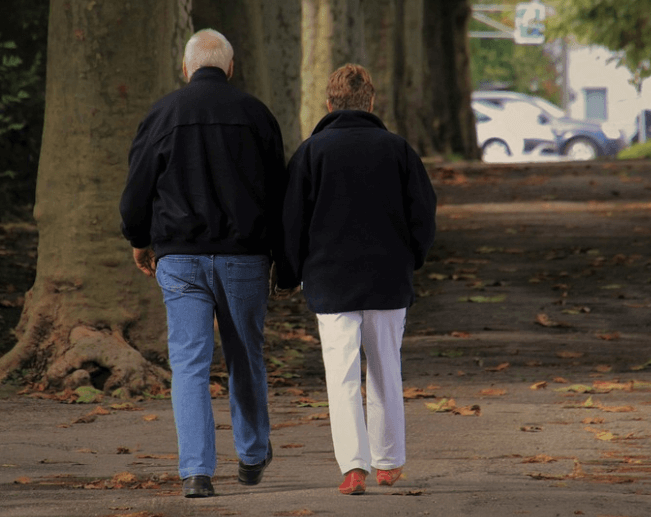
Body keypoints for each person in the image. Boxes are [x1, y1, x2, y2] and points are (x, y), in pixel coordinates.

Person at [119, 29, 286, 498]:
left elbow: (137, 188)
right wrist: (283, 256)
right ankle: (252, 455)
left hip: (180, 257)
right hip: (244, 258)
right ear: (230, 67)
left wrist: (139, 238)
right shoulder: (257, 115)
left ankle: (196, 471)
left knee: (189, 364)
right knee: (245, 357)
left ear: (186, 67)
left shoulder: (163, 113)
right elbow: (280, 193)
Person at [281, 64, 437, 495]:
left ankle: (353, 466)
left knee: (341, 374)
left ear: (328, 105)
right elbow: (423, 214)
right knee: (386, 368)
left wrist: (290, 273)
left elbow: (292, 222)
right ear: (371, 103)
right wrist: (413, 259)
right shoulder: (398, 150)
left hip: (330, 280)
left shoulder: (311, 153)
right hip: (388, 278)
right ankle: (388, 461)